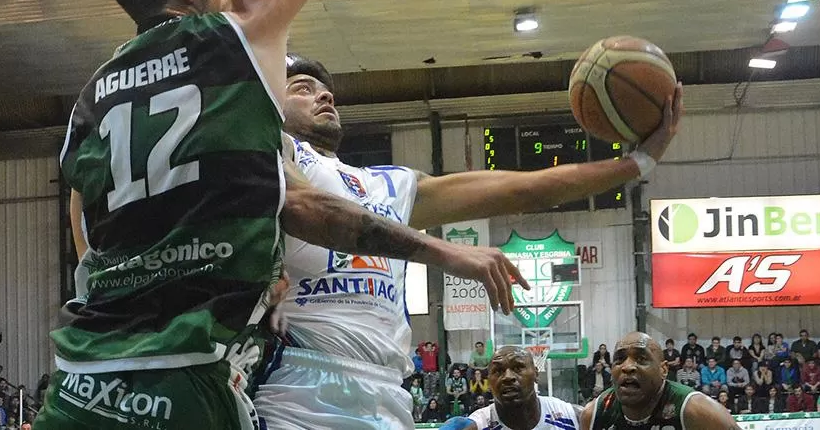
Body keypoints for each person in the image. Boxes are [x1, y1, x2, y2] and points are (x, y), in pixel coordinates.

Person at [41, 0, 529, 428]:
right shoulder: (234, 38)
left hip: (81, 381)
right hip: (187, 373)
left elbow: (87, 232)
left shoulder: (91, 100)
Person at [254, 55, 684, 428]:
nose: (324, 96)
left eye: (326, 90)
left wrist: (635, 163)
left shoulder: (390, 184)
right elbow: (315, 211)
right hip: (303, 383)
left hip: (387, 391)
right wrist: (448, 253)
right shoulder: (273, 152)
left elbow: (524, 189)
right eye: (303, 89)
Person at [581, 332, 739, 430]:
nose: (627, 367)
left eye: (641, 359)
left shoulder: (698, 411)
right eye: (620, 359)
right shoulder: (594, 413)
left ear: (663, 370)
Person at [462, 346, 583, 430]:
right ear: (488, 381)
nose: (508, 377)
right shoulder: (476, 425)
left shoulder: (572, 417)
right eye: (498, 371)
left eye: (518, 368)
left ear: (536, 374)